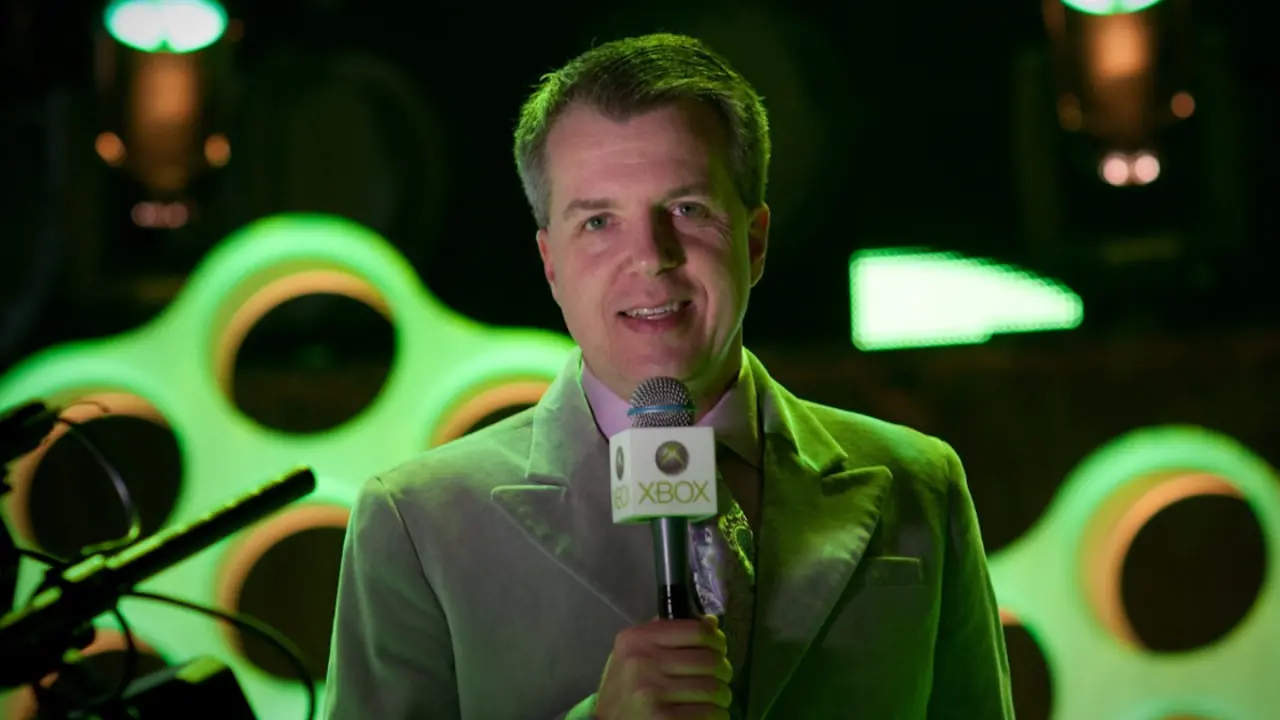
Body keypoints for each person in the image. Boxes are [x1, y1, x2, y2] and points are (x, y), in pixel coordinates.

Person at [322, 32, 1013, 720]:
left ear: (755, 241)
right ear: (551, 263)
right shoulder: (415, 525)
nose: (651, 257)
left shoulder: (922, 486)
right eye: (599, 221)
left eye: (687, 210)